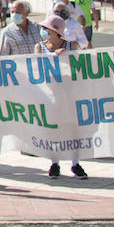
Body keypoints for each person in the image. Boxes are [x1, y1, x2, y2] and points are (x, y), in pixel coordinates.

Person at [32, 14, 88, 178]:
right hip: (50, 94)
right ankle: (54, 162)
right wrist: (51, 57)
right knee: (53, 129)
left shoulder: (72, 46)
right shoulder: (39, 46)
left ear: (56, 32)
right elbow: (36, 67)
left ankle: (75, 163)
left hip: (70, 93)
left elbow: (81, 67)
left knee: (73, 128)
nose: (43, 32)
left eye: (46, 29)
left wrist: (66, 57)